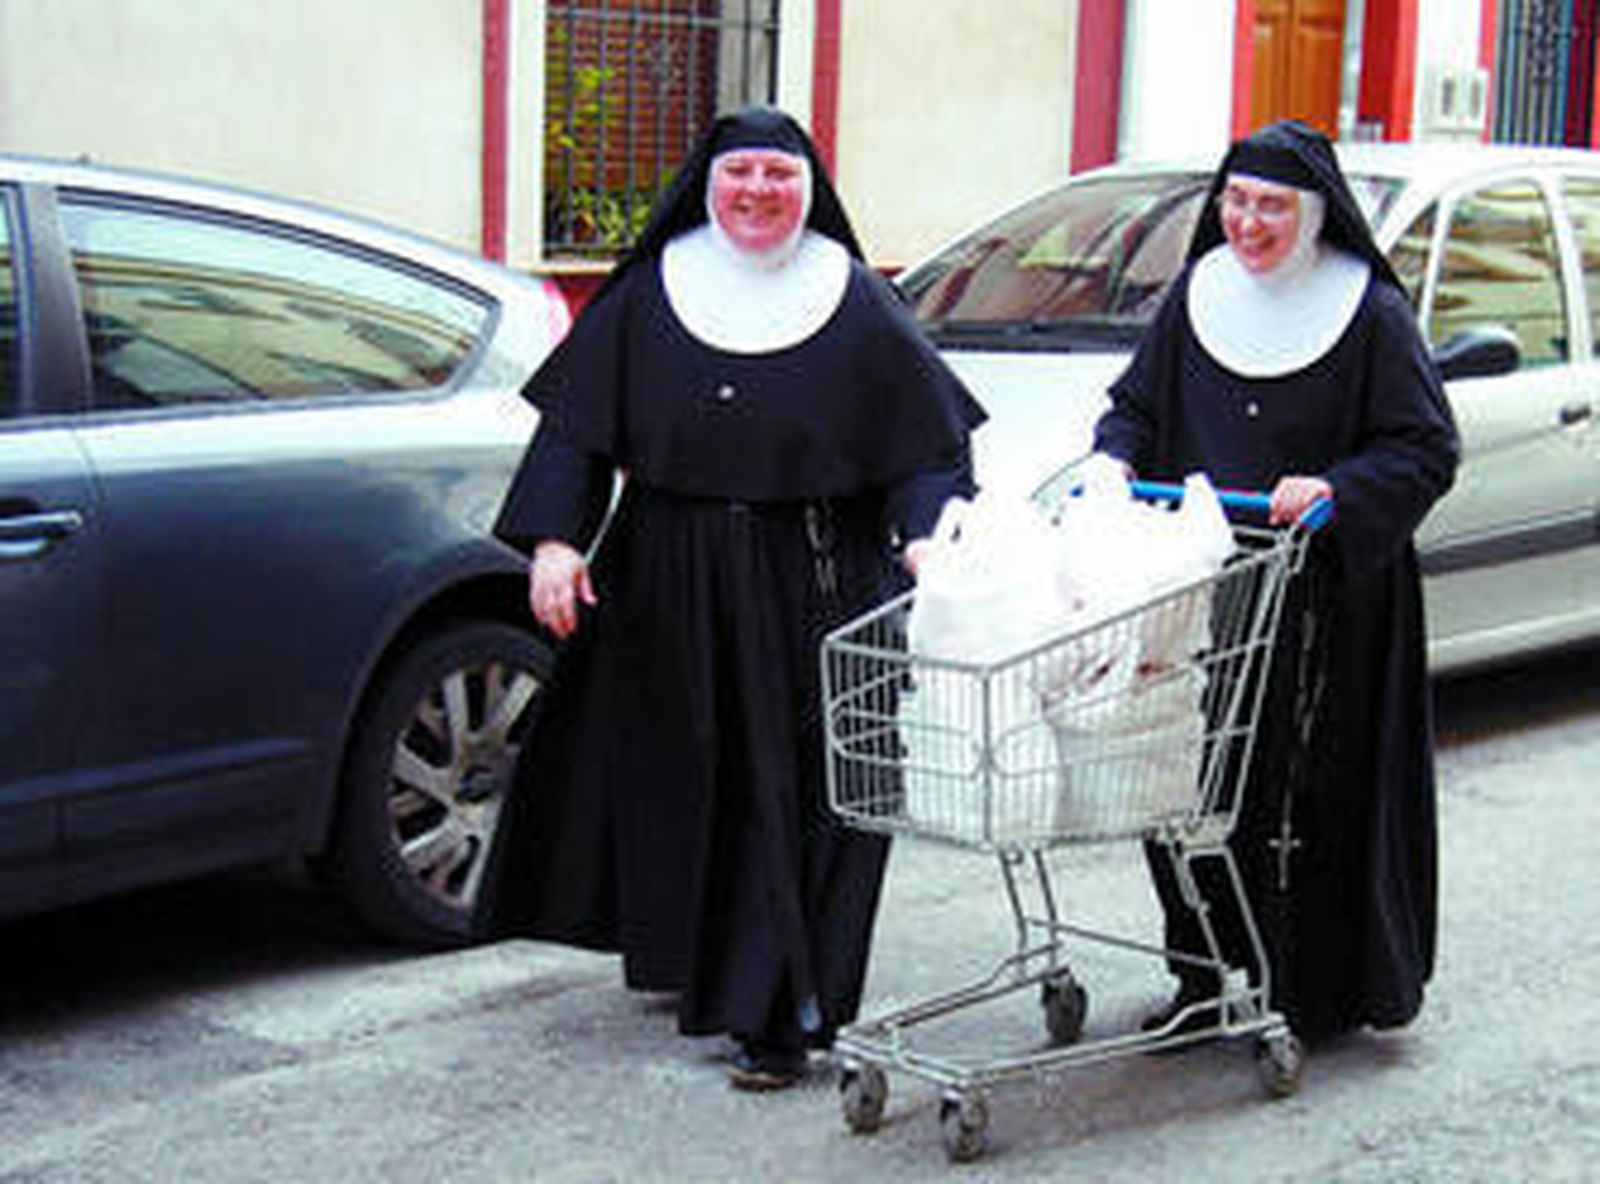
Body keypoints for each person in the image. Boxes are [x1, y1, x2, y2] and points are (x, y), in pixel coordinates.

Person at [485, 106, 985, 1090]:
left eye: (779, 174)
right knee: (681, 771)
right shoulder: (650, 293)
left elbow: (929, 446)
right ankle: (700, 956)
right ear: (707, 185)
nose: (758, 191)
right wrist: (554, 541)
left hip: (818, 572)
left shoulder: (853, 298)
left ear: (810, 189)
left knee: (799, 792)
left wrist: (927, 534)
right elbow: (576, 432)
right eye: (740, 172)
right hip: (666, 568)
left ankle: (779, 1013)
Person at [1092, 120, 1460, 1045]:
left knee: (1312, 795)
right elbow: (1134, 408)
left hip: (1331, 600)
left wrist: (1338, 488)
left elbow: (1424, 448)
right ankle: (1203, 974)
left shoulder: (1370, 313)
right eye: (1237, 201)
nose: (1249, 223)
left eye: (1273, 206)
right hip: (1205, 591)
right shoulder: (1197, 295)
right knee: (1188, 783)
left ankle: (1313, 988)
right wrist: (1112, 459)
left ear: (1316, 214)